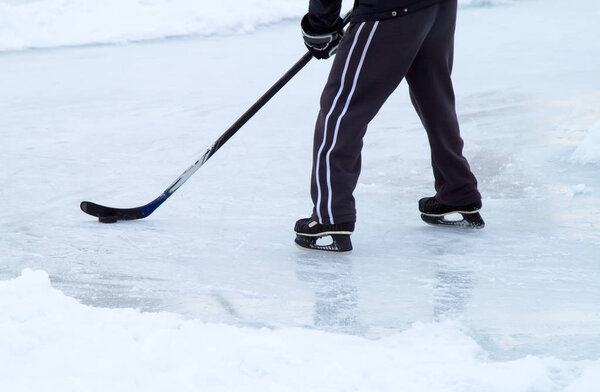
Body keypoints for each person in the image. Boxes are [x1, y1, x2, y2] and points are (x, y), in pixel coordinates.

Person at [294, 0, 484, 254]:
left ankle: (330, 218)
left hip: (389, 10)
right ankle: (458, 192)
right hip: (439, 7)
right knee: (434, 95)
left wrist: (320, 26)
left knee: (342, 109)